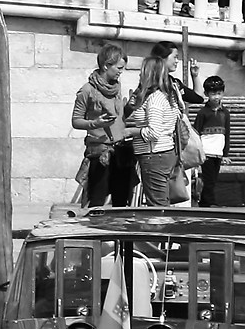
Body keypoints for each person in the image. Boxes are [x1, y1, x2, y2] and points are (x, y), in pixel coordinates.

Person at [73, 43, 135, 207]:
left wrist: (130, 108)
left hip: (121, 151)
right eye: (119, 68)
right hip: (100, 153)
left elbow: (119, 118)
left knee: (121, 201)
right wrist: (95, 123)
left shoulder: (116, 88)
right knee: (97, 201)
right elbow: (76, 120)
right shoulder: (87, 90)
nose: (121, 72)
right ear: (106, 65)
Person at [125, 45, 183, 208]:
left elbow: (154, 132)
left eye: (142, 71)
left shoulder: (155, 99)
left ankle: (161, 225)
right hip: (163, 154)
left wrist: (130, 131)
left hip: (154, 155)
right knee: (161, 201)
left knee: (157, 205)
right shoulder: (165, 96)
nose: (139, 74)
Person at [195, 75, 232, 206]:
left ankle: (204, 203)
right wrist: (198, 152)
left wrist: (225, 154)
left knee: (213, 179)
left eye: (219, 93)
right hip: (206, 152)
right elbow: (196, 133)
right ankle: (210, 203)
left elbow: (226, 134)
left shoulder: (225, 113)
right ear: (206, 94)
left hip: (218, 152)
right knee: (209, 179)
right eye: (213, 94)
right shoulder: (202, 113)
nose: (216, 97)